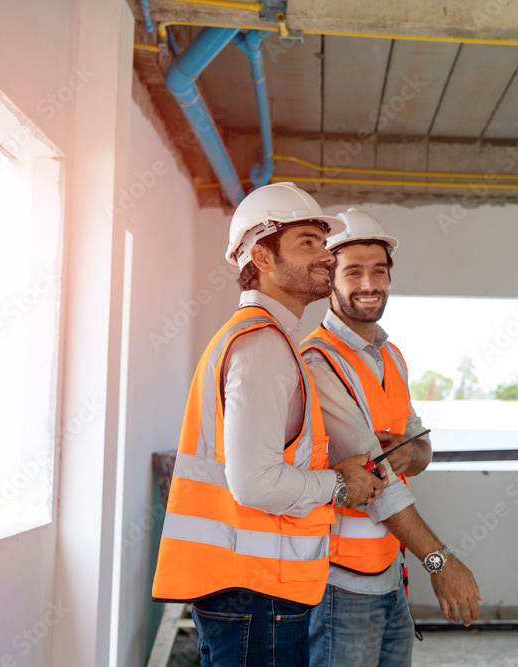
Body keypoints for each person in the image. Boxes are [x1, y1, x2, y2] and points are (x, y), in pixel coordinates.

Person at [152, 183, 385, 667]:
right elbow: (254, 483)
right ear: (261, 254)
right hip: (256, 593)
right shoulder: (262, 346)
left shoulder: (267, 340)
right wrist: (341, 485)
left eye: (324, 242)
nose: (326, 255)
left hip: (250, 591)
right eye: (307, 242)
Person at [301, 208, 483, 667]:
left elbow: (419, 446)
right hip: (339, 584)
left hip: (389, 575)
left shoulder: (391, 356)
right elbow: (374, 482)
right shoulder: (319, 362)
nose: (369, 283)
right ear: (329, 279)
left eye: (378, 271)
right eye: (354, 271)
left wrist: (410, 453)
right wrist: (439, 561)